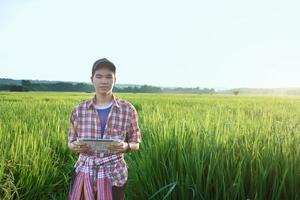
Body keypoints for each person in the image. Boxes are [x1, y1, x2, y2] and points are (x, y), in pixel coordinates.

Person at [68, 58, 141, 200]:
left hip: (115, 173)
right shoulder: (79, 110)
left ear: (115, 79)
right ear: (92, 79)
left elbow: (136, 143)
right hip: (85, 170)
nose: (104, 81)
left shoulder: (128, 109)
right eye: (99, 76)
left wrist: (125, 146)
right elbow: (70, 143)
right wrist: (75, 146)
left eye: (109, 77)